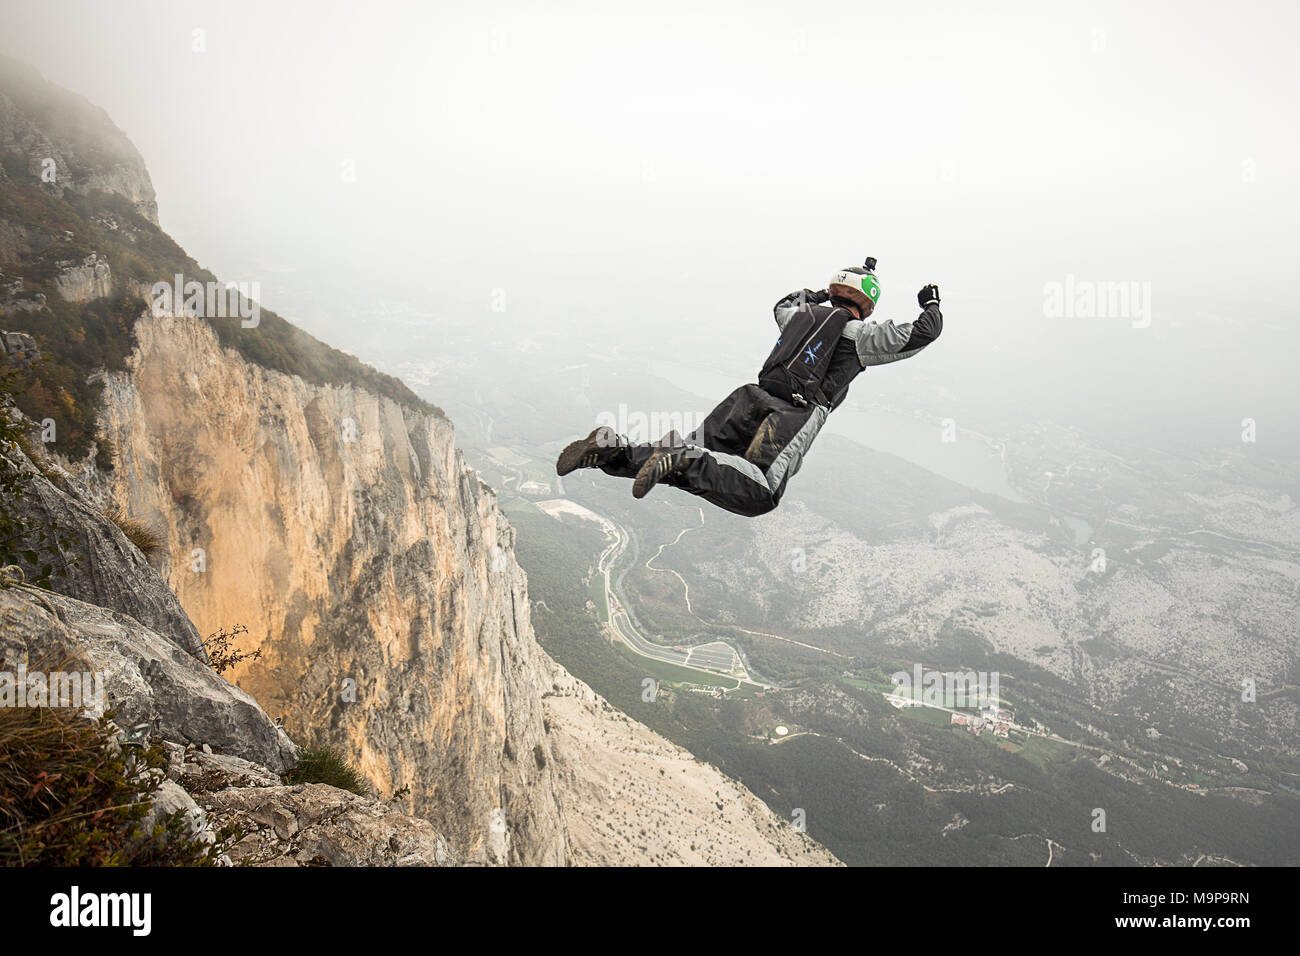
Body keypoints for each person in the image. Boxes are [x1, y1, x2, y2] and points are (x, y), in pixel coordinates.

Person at [556, 258, 943, 517]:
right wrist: (931, 303)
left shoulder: (798, 315)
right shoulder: (859, 334)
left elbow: (784, 302)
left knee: (689, 462)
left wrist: (821, 295)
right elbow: (921, 335)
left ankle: (610, 450)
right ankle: (681, 455)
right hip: (792, 414)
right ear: (868, 301)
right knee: (760, 493)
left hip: (746, 398)